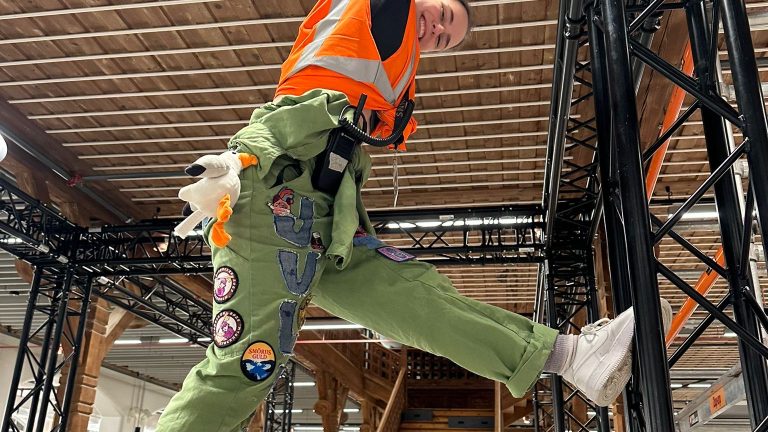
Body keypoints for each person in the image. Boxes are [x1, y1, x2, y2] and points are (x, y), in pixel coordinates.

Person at [156, 0, 672, 430]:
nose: (438, 29)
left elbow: (335, 160)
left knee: (416, 296)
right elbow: (290, 118)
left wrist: (384, 302)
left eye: (446, 37)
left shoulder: (387, 72)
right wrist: (241, 159)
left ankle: (571, 358)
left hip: (326, 213)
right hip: (268, 191)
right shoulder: (377, 14)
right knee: (247, 363)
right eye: (443, 13)